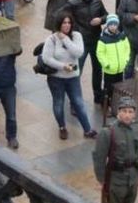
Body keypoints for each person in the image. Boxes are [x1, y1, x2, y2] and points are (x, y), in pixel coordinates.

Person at [41, 12, 97, 140]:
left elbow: (78, 53)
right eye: (64, 23)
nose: (66, 25)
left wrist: (65, 39)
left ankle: (87, 129)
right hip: (56, 78)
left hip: (72, 78)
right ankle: (62, 127)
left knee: (78, 102)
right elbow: (46, 58)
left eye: (69, 23)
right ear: (59, 24)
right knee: (58, 103)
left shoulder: (76, 36)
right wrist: (63, 66)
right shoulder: (52, 39)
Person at [92, 96, 138, 203]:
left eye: (130, 112)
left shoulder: (137, 129)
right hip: (116, 180)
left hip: (132, 178)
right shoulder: (108, 132)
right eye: (124, 111)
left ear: (134, 114)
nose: (127, 115)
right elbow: (99, 157)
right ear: (118, 112)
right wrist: (102, 179)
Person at [63, 0, 109, 104]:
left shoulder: (97, 0)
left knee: (98, 70)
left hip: (96, 40)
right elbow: (65, 22)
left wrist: (100, 20)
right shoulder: (72, 3)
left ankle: (98, 95)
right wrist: (74, 34)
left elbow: (106, 15)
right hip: (80, 43)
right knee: (77, 71)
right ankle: (74, 101)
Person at [96, 14, 130, 115]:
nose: (113, 27)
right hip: (109, 70)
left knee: (118, 88)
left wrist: (126, 60)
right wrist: (106, 64)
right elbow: (100, 53)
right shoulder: (103, 39)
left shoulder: (122, 36)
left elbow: (127, 48)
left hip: (120, 68)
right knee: (108, 89)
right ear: (107, 25)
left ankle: (114, 105)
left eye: (115, 25)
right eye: (111, 25)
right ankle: (105, 105)